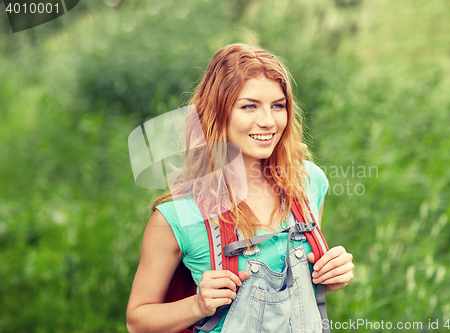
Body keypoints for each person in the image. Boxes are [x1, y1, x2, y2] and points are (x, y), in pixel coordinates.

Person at [126, 43, 354, 333]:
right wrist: (197, 305)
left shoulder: (310, 181)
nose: (268, 121)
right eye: (249, 106)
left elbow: (297, 294)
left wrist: (332, 276)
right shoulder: (177, 215)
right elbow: (137, 321)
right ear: (218, 114)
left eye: (278, 105)